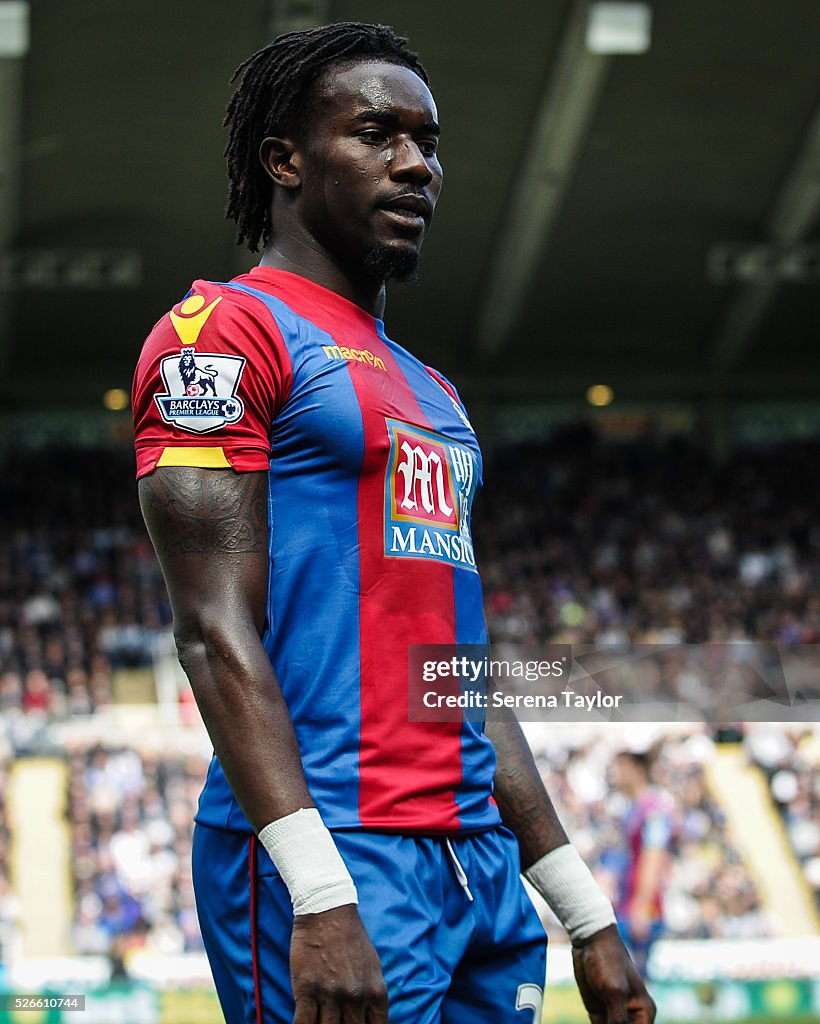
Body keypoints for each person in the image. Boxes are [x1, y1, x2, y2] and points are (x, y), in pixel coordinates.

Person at [132, 21, 656, 1024]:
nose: (416, 164)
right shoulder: (220, 335)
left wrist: (584, 914)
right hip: (333, 848)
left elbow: (456, 669)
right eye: (376, 133)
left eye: (428, 142)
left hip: (474, 863)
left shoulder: (434, 393)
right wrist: (320, 896)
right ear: (284, 159)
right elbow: (210, 630)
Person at [610, 751, 674, 976]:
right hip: (628, 903)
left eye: (620, 766)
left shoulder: (653, 810)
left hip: (641, 908)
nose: (613, 773)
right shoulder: (634, 808)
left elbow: (653, 857)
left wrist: (641, 906)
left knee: (636, 985)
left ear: (637, 770)